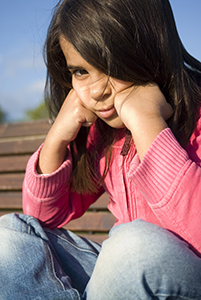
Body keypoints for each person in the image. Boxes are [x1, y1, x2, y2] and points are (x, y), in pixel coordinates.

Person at [1, 0, 201, 299]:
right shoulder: (106, 134)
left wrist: (147, 124)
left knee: (133, 246)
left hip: (179, 276)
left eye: (109, 66)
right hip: (122, 275)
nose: (96, 90)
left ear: (151, 48)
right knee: (9, 237)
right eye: (81, 71)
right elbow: (45, 216)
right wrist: (56, 138)